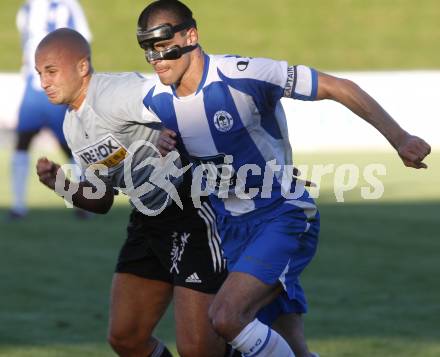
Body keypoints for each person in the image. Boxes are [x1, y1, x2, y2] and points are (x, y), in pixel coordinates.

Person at [136, 1, 432, 357]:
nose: (156, 57)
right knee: (289, 347)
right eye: (148, 49)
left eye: (164, 44)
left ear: (191, 35)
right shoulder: (154, 101)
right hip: (231, 230)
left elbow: (338, 86)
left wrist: (399, 138)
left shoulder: (244, 74)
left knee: (226, 318)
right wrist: (156, 144)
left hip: (282, 215)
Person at [34, 28, 235, 357]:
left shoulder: (114, 93)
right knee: (126, 338)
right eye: (40, 73)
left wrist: (169, 132)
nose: (44, 82)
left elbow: (177, 97)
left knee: (198, 349)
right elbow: (102, 200)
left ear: (82, 67)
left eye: (52, 71)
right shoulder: (72, 125)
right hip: (148, 218)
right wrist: (62, 185)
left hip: (191, 210)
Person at [9, 0, 91, 219]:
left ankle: (82, 202)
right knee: (23, 142)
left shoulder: (63, 5)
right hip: (35, 86)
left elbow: (82, 42)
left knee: (69, 145)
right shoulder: (29, 8)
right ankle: (18, 206)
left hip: (55, 87)